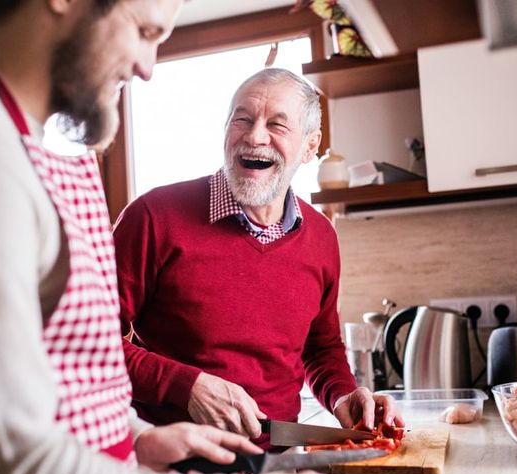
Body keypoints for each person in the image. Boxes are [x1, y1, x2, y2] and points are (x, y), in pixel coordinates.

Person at [0, 1, 325, 474]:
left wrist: (137, 437)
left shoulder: (10, 138)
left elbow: (61, 377)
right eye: (144, 32)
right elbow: (7, 458)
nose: (146, 68)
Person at [113, 68, 403, 445]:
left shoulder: (321, 237)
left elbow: (321, 348)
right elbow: (87, 343)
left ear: (310, 146)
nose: (254, 136)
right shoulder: (153, 217)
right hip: (169, 461)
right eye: (242, 119)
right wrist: (187, 386)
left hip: (277, 462)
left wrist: (343, 396)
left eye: (277, 125)